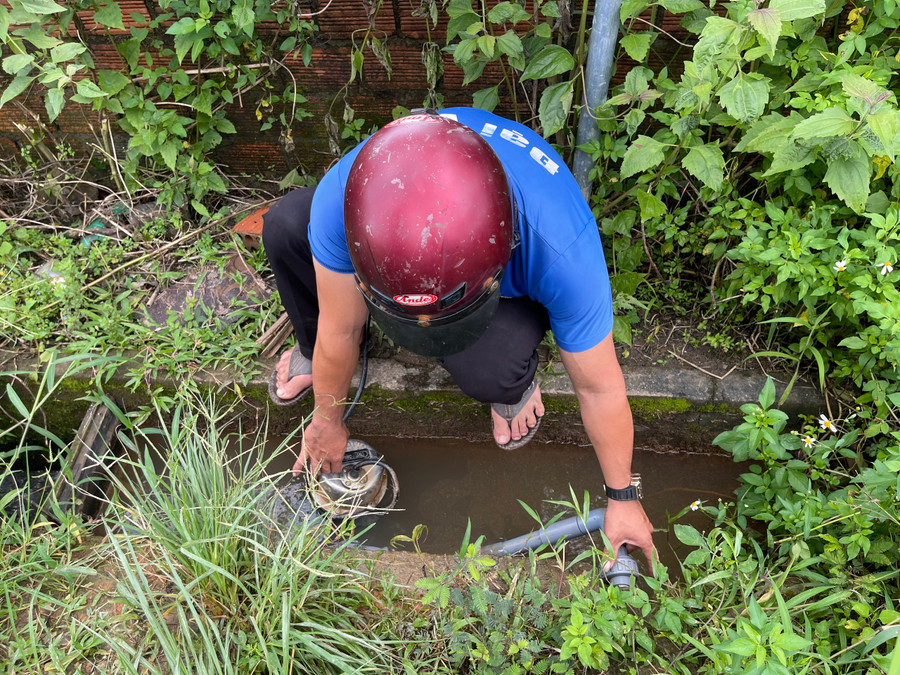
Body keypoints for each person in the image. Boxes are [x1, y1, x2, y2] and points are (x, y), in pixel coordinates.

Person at [262, 107, 656, 566]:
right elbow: (341, 324)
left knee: (491, 368)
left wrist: (623, 496)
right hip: (395, 251)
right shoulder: (346, 200)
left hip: (500, 278)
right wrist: (326, 421)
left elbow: (598, 386)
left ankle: (511, 381)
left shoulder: (559, 246)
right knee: (287, 225)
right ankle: (312, 350)